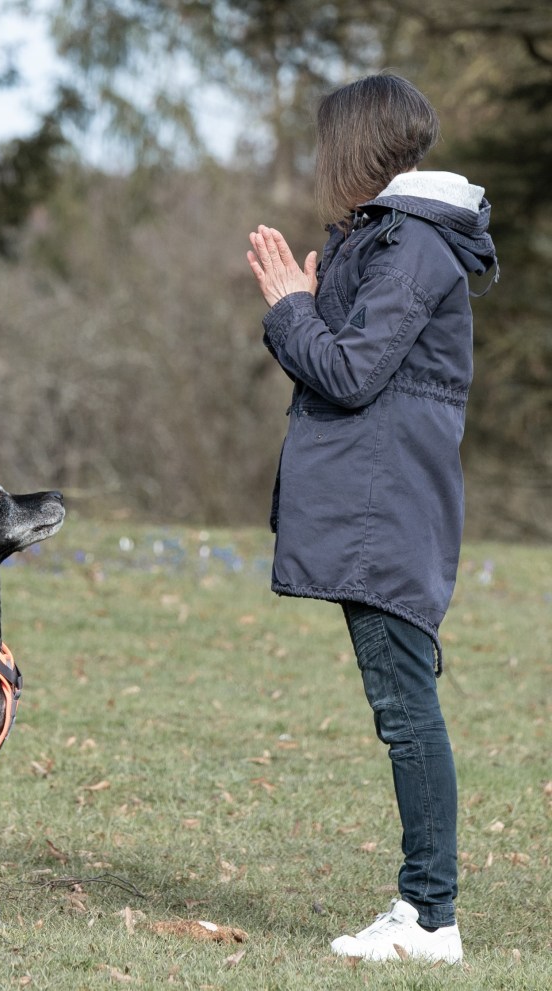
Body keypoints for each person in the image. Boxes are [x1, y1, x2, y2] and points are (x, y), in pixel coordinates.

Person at [245, 72, 497, 964]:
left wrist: (289, 309)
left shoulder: (416, 248)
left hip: (385, 513)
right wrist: (303, 310)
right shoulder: (385, 241)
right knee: (402, 704)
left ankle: (431, 918)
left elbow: (347, 374)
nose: (319, 164)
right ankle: (426, 911)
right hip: (375, 507)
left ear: (353, 147)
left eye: (326, 146)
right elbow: (344, 369)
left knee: (405, 709)